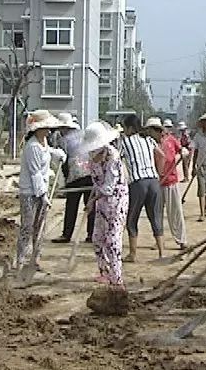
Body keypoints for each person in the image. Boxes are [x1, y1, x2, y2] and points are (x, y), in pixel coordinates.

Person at [80, 121, 128, 288]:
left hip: (117, 201)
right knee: (97, 238)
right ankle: (104, 271)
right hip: (102, 201)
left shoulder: (112, 158)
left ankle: (117, 279)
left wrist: (92, 200)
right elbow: (96, 183)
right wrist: (93, 199)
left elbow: (108, 187)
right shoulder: (93, 160)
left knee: (112, 240)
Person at [17, 110, 66, 271]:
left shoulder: (43, 143)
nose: (48, 131)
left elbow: (48, 151)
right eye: (45, 128)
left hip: (41, 189)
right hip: (30, 192)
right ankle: (21, 260)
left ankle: (36, 259)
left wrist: (58, 154)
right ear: (37, 129)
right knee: (28, 226)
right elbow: (35, 173)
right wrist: (43, 195)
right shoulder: (32, 147)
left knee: (40, 226)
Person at [121, 114, 164, 261]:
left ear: (130, 128)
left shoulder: (125, 142)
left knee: (132, 219)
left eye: (125, 127)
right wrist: (160, 173)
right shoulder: (149, 140)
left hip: (138, 183)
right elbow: (162, 155)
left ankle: (133, 254)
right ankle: (161, 253)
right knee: (156, 217)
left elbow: (118, 160)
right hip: (153, 181)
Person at [52, 113, 96, 244]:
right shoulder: (83, 134)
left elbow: (63, 161)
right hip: (90, 173)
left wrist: (65, 180)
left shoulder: (63, 140)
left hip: (76, 175)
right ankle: (91, 234)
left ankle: (67, 234)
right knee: (90, 204)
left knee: (71, 205)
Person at [149, 118, 188, 250]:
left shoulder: (170, 140)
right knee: (157, 213)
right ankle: (159, 240)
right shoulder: (150, 143)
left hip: (170, 181)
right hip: (156, 182)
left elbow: (182, 150)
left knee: (175, 212)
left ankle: (181, 240)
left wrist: (183, 152)